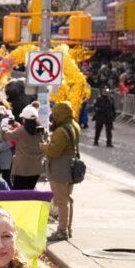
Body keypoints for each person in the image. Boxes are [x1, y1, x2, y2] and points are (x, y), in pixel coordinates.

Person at [41, 102, 81, 242]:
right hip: (70, 166)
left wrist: (43, 146)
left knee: (61, 201)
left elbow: (54, 151)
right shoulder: (74, 125)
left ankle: (62, 230)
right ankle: (67, 228)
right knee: (67, 199)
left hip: (60, 168)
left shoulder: (61, 131)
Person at [4, 105, 46, 191]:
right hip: (36, 167)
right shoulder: (42, 130)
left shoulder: (21, 130)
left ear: (24, 119)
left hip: (22, 168)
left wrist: (4, 128)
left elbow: (7, 136)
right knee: (30, 190)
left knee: (18, 192)